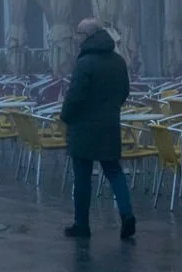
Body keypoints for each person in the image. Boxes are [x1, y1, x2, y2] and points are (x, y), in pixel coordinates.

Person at [58, 16, 135, 240]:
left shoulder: (85, 63)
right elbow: (124, 91)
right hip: (109, 125)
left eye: (79, 34)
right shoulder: (118, 61)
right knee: (114, 171)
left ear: (88, 36)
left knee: (82, 177)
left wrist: (65, 116)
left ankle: (81, 224)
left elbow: (75, 96)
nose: (76, 38)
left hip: (83, 128)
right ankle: (127, 214)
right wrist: (111, 109)